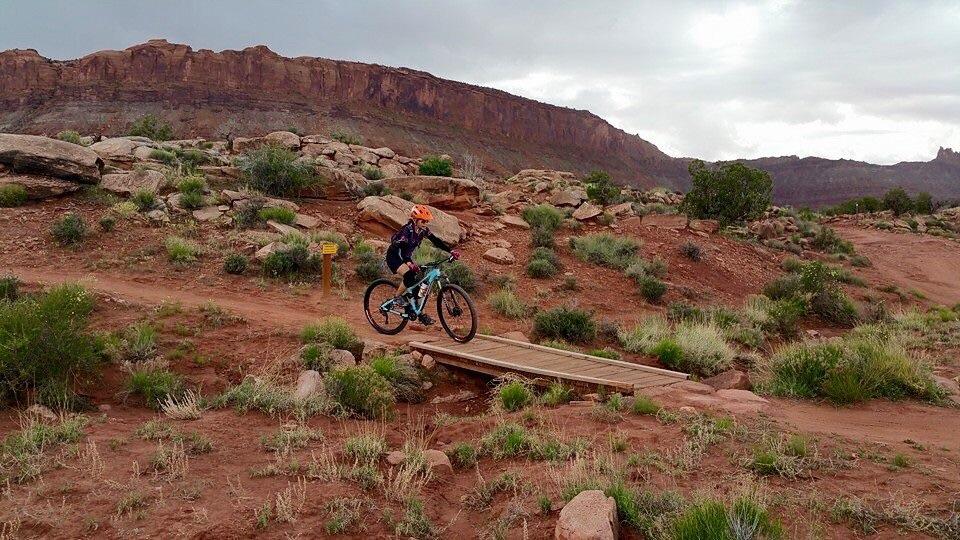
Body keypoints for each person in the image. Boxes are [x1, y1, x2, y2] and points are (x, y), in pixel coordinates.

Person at [385, 204, 458, 325]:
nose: (425, 223)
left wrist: (450, 251)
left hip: (405, 257)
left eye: (427, 221)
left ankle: (414, 308)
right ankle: (399, 300)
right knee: (409, 276)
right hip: (395, 257)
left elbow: (436, 241)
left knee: (417, 283)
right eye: (423, 221)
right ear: (415, 220)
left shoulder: (423, 230)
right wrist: (408, 262)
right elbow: (399, 249)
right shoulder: (407, 230)